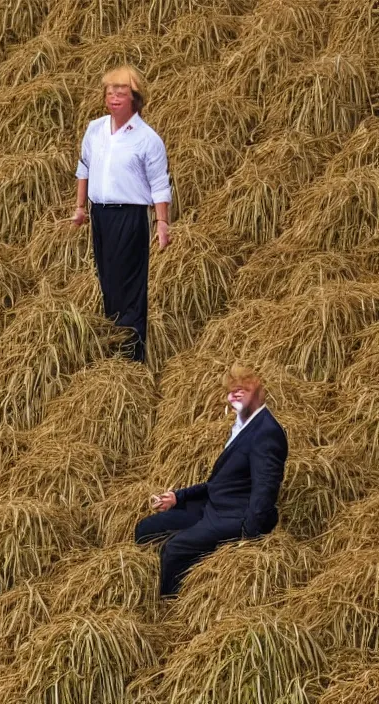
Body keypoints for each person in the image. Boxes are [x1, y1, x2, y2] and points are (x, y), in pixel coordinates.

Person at [135, 364, 288, 597]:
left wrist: (248, 537)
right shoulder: (243, 426)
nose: (235, 396)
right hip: (211, 507)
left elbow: (264, 490)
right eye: (232, 391)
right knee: (145, 529)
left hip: (233, 517)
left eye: (243, 390)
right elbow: (221, 483)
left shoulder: (266, 433)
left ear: (258, 392)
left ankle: (169, 606)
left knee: (174, 549)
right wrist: (179, 497)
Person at [72, 65, 172, 362]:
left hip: (129, 218)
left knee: (129, 283)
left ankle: (132, 354)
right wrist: (80, 208)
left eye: (122, 91)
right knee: (108, 280)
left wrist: (162, 222)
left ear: (135, 98)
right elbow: (84, 168)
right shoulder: (95, 129)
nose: (114, 96)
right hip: (100, 216)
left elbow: (159, 184)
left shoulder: (147, 138)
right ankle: (113, 343)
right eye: (109, 91)